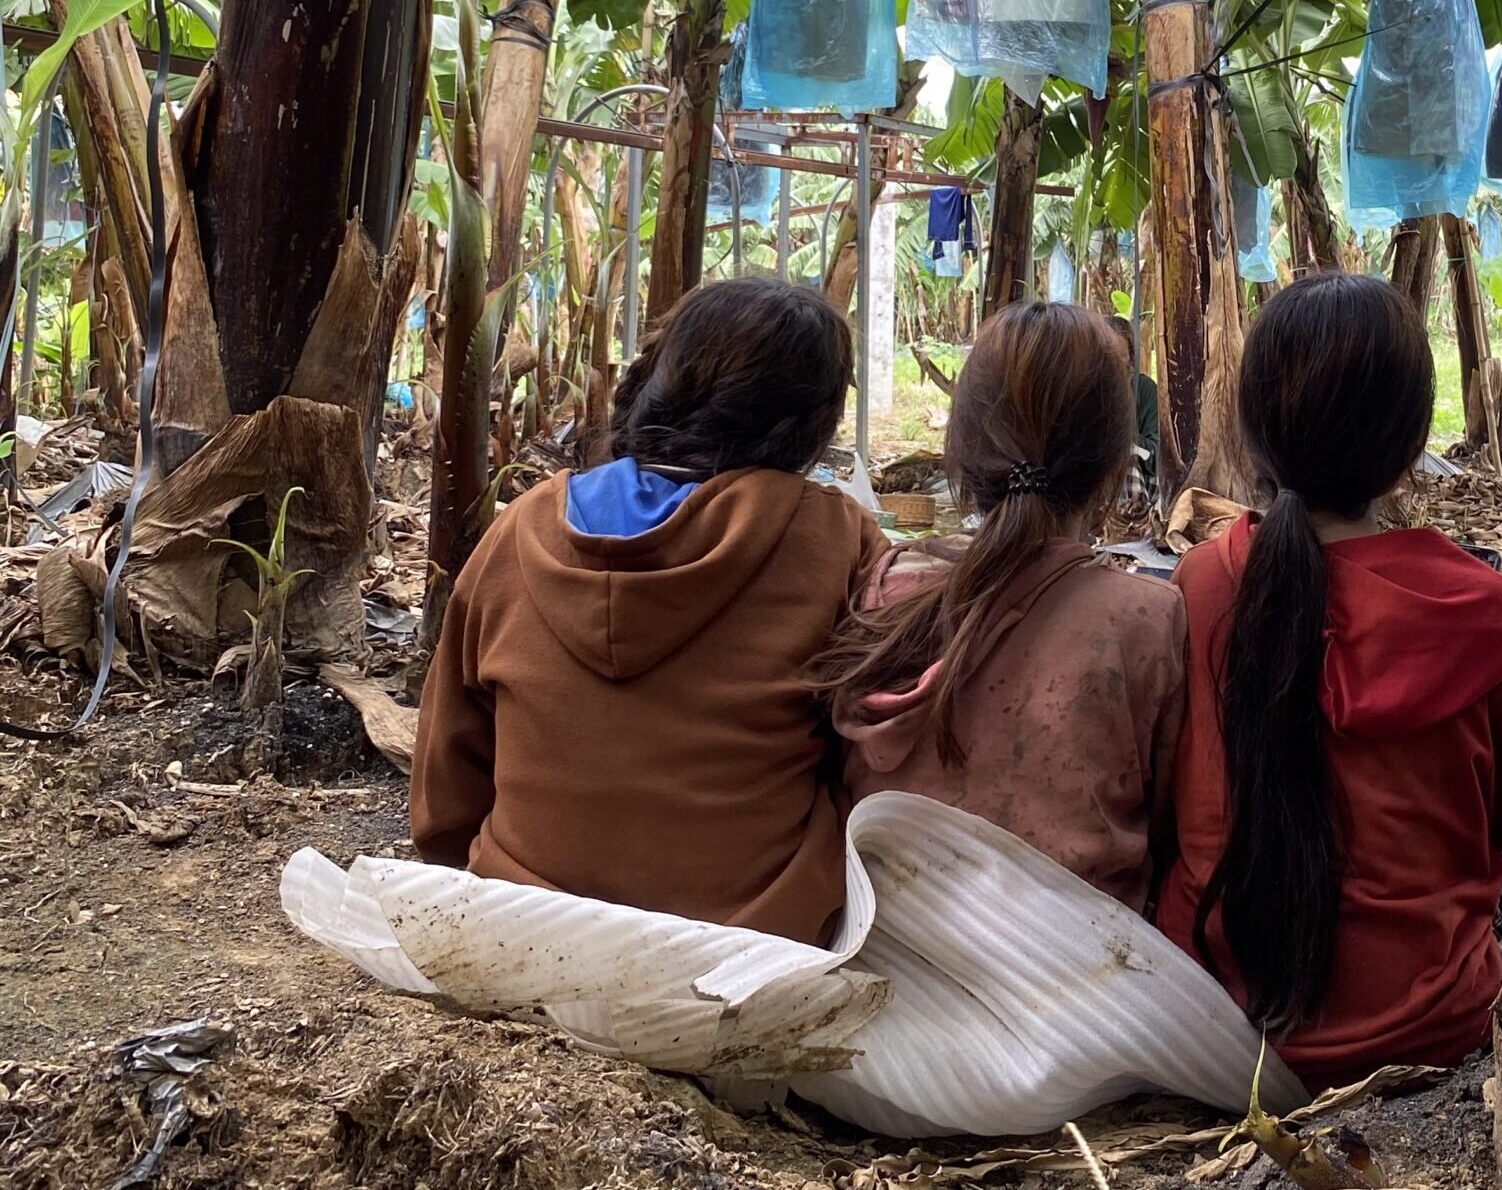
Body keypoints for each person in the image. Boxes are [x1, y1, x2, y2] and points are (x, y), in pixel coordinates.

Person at [1154, 272, 1502, 1091]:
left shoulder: (1204, 584)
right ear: (1409, 440)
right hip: (1436, 1034)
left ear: (1253, 431)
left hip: (1220, 1037)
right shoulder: (1479, 611)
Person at [410, 276, 886, 946]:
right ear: (812, 421)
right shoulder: (837, 538)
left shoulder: (520, 528)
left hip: (519, 920)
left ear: (659, 378)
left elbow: (446, 779)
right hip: (751, 940)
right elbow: (874, 751)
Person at [819, 301, 1184, 912]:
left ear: (961, 454)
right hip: (1083, 983)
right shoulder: (1146, 618)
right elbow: (1172, 833)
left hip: (886, 964)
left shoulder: (885, 590)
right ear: (1114, 464)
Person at [1109, 315, 1161, 487]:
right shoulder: (1084, 389)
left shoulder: (1144, 390)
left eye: (1119, 356)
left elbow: (1155, 456)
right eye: (1105, 355)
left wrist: (1120, 436)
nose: (1111, 363)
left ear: (1131, 359)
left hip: (1134, 483)